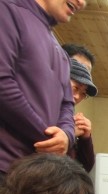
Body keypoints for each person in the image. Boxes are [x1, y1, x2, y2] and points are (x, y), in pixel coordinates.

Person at [0, 0, 87, 175]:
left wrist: (66, 136)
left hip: (34, 175)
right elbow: (3, 83)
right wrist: (48, 137)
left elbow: (67, 105)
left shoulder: (62, 55)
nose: (82, 3)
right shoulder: (8, 11)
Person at [66, 58, 98, 172]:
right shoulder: (44, 109)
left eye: (83, 93)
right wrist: (70, 133)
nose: (77, 97)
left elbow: (86, 167)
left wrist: (86, 138)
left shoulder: (71, 117)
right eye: (75, 88)